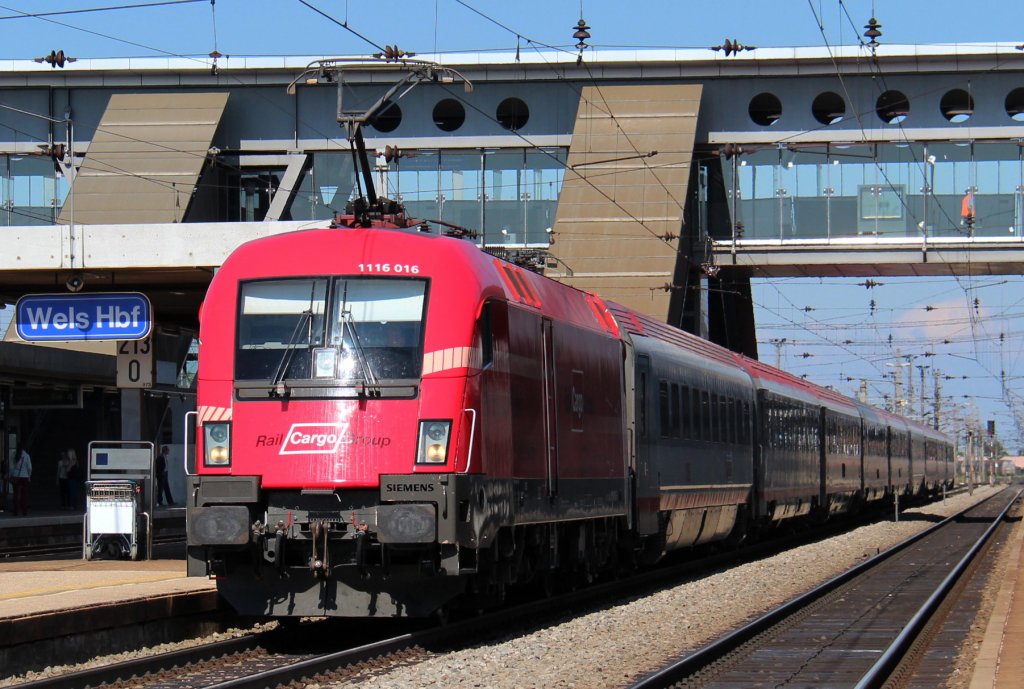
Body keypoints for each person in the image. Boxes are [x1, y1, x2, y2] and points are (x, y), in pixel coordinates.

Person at [10, 442, 32, 517]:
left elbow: (11, 467)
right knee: (24, 495)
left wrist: (12, 474)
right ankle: (24, 511)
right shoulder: (26, 456)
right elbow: (29, 468)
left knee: (16, 494)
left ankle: (16, 511)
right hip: (25, 477)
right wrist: (29, 476)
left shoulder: (14, 455)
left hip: (16, 476)